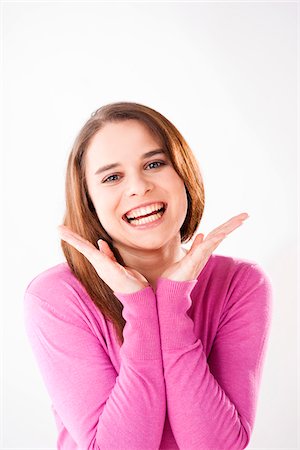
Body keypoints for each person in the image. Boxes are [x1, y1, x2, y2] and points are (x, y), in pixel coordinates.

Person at [23, 101, 273, 450]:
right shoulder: (56, 296)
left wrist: (172, 306)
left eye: (154, 164)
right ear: (89, 200)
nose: (139, 187)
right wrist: (139, 308)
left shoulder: (240, 283)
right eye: (112, 177)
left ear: (183, 172)